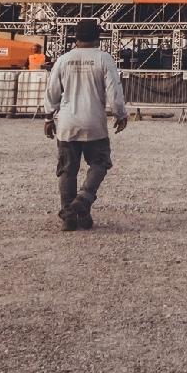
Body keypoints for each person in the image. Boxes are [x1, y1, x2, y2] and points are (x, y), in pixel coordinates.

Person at [45, 20, 128, 231]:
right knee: (100, 163)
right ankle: (83, 200)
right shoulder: (103, 59)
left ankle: (69, 218)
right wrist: (120, 113)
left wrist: (48, 116)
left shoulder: (63, 60)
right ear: (98, 37)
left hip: (66, 123)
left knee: (67, 169)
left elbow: (52, 91)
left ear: (74, 37)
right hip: (94, 122)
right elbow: (114, 91)